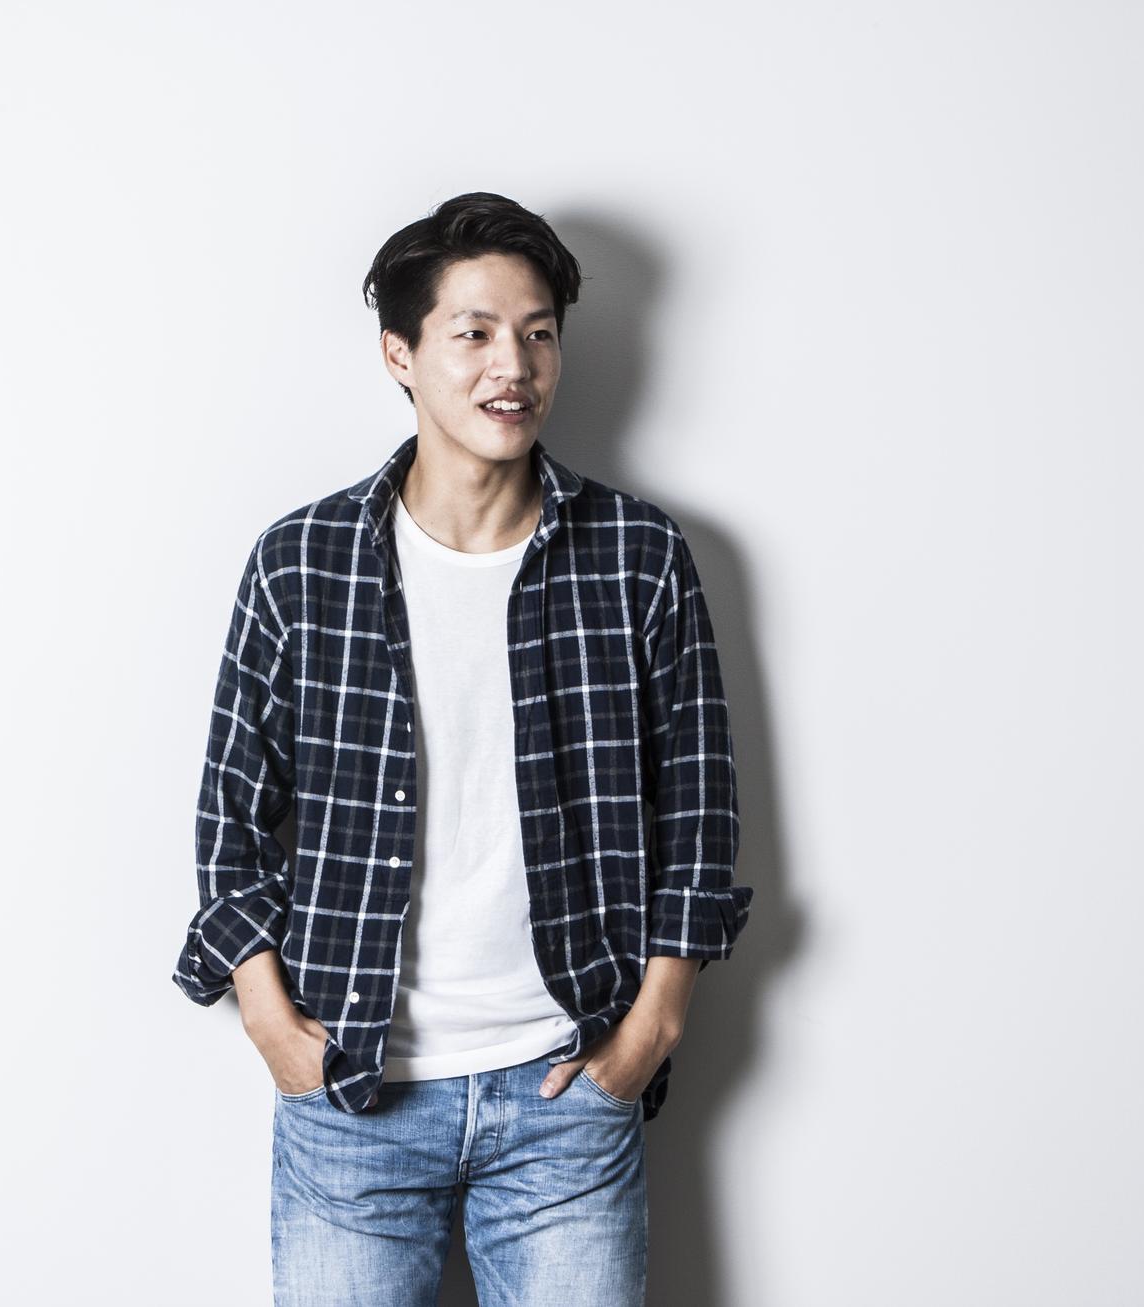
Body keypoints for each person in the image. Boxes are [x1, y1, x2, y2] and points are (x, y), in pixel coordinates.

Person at [171, 191, 755, 1307]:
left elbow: (698, 804)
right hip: (353, 1097)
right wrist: (271, 1021)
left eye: (538, 333)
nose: (514, 366)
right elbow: (230, 814)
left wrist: (651, 1029)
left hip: (565, 1096)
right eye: (475, 332)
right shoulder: (304, 562)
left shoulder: (636, 556)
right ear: (400, 352)